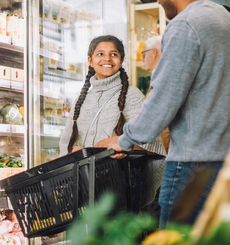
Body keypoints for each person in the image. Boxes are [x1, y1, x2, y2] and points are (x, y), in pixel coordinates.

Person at [109, 0, 230, 228]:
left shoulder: (185, 25)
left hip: (193, 166)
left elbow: (164, 98)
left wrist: (124, 141)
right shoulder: (224, 18)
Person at [59, 35, 166, 206]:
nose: (107, 58)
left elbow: (153, 145)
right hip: (84, 191)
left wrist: (125, 146)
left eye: (114, 54)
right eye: (100, 54)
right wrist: (74, 152)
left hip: (122, 191)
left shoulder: (132, 95)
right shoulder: (80, 101)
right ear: (90, 60)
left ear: (121, 60)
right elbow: (66, 144)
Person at [143, 35, 170, 154]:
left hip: (165, 152)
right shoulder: (163, 75)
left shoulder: (163, 78)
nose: (143, 59)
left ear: (153, 52)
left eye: (144, 54)